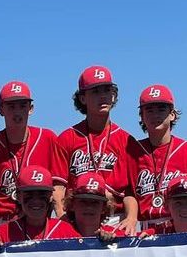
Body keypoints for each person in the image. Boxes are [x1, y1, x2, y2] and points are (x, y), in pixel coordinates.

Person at [108, 85, 187, 233]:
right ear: (142, 116)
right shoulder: (131, 151)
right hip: (147, 229)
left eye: (161, 109)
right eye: (149, 110)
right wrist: (131, 217)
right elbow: (127, 193)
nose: (155, 115)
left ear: (172, 114)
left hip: (182, 225)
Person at [52, 65, 137, 231]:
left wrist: (132, 218)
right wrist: (63, 218)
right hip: (76, 218)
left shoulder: (127, 140)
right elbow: (58, 187)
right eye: (95, 91)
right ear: (83, 98)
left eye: (107, 90)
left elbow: (130, 193)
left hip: (114, 219)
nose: (103, 96)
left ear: (113, 96)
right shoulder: (67, 138)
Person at [0, 81, 59, 226]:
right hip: (3, 221)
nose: (17, 112)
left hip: (40, 218)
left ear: (31, 108)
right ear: (0, 110)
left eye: (22, 106)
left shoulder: (47, 138)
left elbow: (59, 187)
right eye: (11, 106)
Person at [0, 166, 80, 243]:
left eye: (42, 193)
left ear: (50, 196)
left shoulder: (65, 231)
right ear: (18, 196)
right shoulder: (4, 233)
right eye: (29, 194)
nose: (36, 200)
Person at [60, 173, 124, 238]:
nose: (89, 207)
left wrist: (111, 244)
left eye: (95, 202)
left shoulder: (116, 236)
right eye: (83, 201)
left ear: (104, 208)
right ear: (72, 205)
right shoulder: (58, 234)